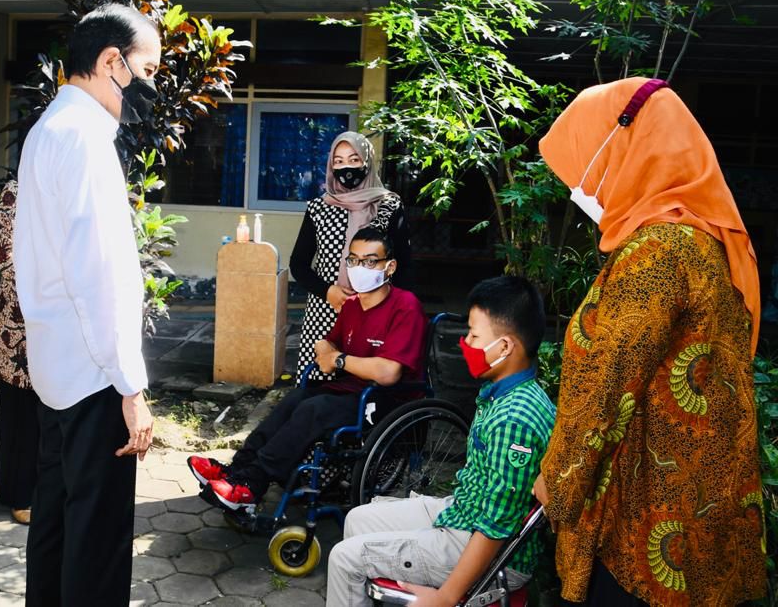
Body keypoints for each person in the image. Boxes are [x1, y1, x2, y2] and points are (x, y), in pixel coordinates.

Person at [532, 78, 766, 606]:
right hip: (702, 510)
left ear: (623, 150)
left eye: (587, 166)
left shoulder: (657, 251)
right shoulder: (704, 242)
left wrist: (560, 478)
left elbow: (608, 383)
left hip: (647, 523)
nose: (584, 187)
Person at [14, 4, 158, 606]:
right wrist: (131, 387)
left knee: (56, 519)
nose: (150, 86)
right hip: (96, 375)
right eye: (147, 70)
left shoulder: (50, 129)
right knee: (97, 538)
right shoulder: (84, 140)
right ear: (111, 62)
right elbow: (99, 277)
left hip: (57, 369)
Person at [326, 276, 555, 607]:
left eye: (474, 335)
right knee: (358, 519)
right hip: (464, 513)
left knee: (345, 559)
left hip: (485, 546)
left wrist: (446, 597)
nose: (465, 343)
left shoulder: (514, 420)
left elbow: (495, 528)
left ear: (505, 347)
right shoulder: (505, 393)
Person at [188, 226, 426, 510]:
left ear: (390, 267)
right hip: (351, 390)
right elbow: (330, 343)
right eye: (353, 260)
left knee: (313, 409)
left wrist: (338, 359)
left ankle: (252, 485)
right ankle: (236, 471)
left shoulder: (405, 306)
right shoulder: (352, 306)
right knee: (294, 400)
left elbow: (388, 373)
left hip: (387, 400)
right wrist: (324, 347)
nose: (359, 268)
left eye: (370, 261)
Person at [290, 131, 412, 381]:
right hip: (325, 311)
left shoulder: (388, 205)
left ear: (367, 162)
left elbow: (403, 266)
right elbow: (298, 265)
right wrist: (328, 292)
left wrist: (392, 311)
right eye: (339, 161)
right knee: (319, 384)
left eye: (354, 159)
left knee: (365, 387)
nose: (346, 167)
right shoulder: (318, 208)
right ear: (331, 166)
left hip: (375, 314)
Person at [0, 179, 38, 525]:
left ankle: (33, 489)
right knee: (19, 411)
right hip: (19, 324)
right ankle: (20, 494)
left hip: (57, 323)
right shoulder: (16, 192)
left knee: (41, 412)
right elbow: (7, 260)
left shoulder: (67, 188)